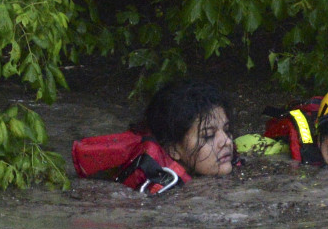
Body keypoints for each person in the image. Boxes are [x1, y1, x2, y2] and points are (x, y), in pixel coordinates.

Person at [72, 80, 235, 194]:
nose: (226, 142)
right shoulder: (159, 190)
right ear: (173, 149)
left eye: (226, 130)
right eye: (208, 136)